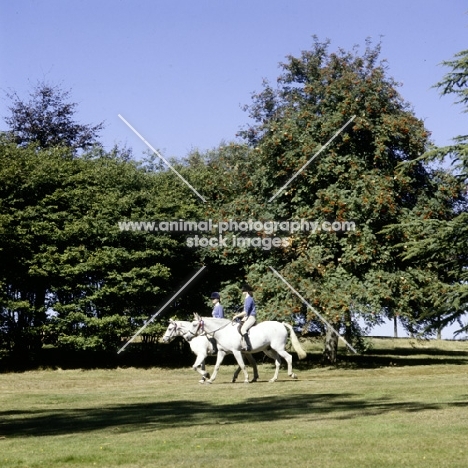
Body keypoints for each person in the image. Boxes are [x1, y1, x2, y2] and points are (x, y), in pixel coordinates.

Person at [232, 284, 256, 351]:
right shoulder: (247, 299)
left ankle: (248, 346)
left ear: (247, 291)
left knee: (243, 329)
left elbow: (245, 312)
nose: (242, 292)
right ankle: (242, 344)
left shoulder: (249, 299)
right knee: (238, 327)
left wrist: (236, 316)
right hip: (247, 317)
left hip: (251, 317)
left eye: (243, 290)